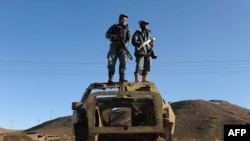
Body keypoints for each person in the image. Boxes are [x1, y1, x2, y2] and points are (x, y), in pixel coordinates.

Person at [105, 14, 132, 83]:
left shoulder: (127, 29)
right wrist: (113, 36)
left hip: (123, 46)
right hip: (114, 45)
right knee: (111, 61)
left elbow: (129, 39)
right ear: (119, 19)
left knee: (124, 62)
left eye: (125, 20)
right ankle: (111, 79)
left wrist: (124, 46)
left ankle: (122, 78)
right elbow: (107, 35)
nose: (124, 21)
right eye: (122, 19)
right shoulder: (113, 27)